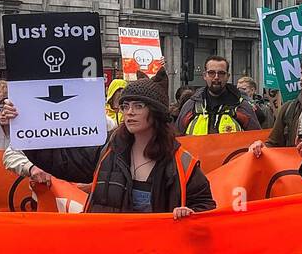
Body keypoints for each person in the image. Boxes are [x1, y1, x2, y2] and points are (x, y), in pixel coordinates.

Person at [86, 79, 216, 217]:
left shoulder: (181, 162)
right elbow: (67, 163)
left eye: (139, 106)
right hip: (116, 238)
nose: (130, 112)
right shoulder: (109, 151)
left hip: (162, 238)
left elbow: (205, 205)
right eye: (125, 106)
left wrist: (189, 213)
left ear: (156, 111)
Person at [175, 56, 261, 136]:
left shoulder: (242, 107)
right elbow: (176, 139)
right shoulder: (191, 106)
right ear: (205, 75)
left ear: (228, 76)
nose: (216, 77)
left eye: (221, 73)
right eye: (211, 73)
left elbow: (256, 139)